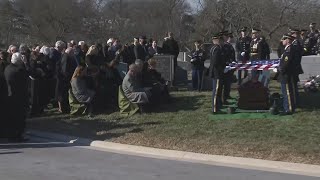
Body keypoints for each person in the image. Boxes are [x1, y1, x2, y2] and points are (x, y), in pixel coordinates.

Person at [4, 52, 29, 141]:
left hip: (10, 95)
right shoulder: (19, 70)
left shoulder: (7, 68)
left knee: (12, 117)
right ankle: (17, 135)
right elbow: (27, 74)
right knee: (19, 117)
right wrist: (25, 63)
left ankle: (12, 134)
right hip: (18, 97)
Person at [278, 34, 296, 115]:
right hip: (284, 74)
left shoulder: (289, 49)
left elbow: (286, 62)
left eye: (284, 39)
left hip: (286, 74)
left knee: (287, 92)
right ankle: (286, 107)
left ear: (288, 40)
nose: (282, 40)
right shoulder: (286, 49)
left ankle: (288, 109)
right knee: (285, 91)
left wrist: (280, 70)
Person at [56, 47, 77, 113]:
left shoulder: (64, 56)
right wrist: (68, 77)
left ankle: (62, 108)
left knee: (63, 94)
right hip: (64, 79)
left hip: (63, 78)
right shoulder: (66, 57)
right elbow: (65, 69)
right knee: (63, 94)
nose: (73, 54)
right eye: (72, 53)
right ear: (70, 52)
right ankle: (63, 109)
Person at [209, 33, 226, 114]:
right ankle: (215, 109)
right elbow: (216, 62)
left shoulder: (215, 48)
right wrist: (222, 68)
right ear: (217, 40)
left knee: (218, 90)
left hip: (217, 72)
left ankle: (218, 106)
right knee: (216, 91)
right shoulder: (217, 49)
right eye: (220, 40)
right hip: (217, 73)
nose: (222, 41)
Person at [222, 32, 236, 102]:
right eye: (230, 38)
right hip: (227, 66)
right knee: (226, 82)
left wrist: (234, 62)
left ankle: (227, 94)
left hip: (231, 66)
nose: (231, 39)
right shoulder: (225, 46)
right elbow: (225, 56)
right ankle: (225, 96)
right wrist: (228, 63)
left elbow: (232, 55)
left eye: (231, 38)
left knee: (229, 82)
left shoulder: (230, 45)